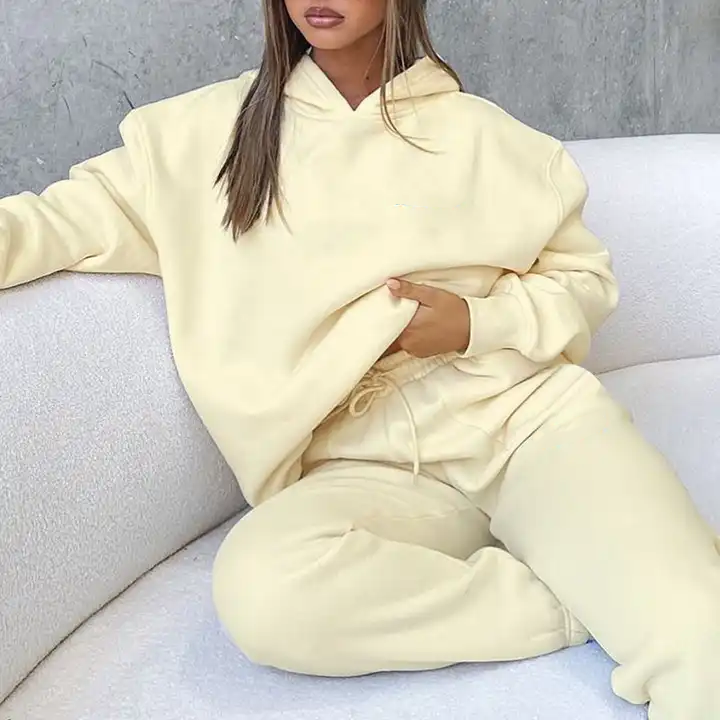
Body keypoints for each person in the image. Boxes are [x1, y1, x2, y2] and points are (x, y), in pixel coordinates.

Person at [1, 0, 718, 717]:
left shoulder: (493, 140)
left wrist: (474, 321)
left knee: (701, 649)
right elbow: (50, 223)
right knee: (266, 594)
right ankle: (582, 599)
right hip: (360, 468)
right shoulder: (196, 137)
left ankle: (643, 586)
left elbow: (584, 283)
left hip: (524, 425)